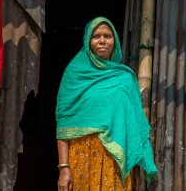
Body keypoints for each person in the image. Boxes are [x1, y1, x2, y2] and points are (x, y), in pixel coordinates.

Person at [55, 16, 157, 191]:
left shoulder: (125, 78)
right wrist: (64, 168)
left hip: (115, 162)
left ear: (115, 41)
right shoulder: (74, 74)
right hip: (81, 158)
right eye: (96, 36)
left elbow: (134, 127)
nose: (102, 40)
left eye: (107, 36)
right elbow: (64, 125)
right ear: (88, 41)